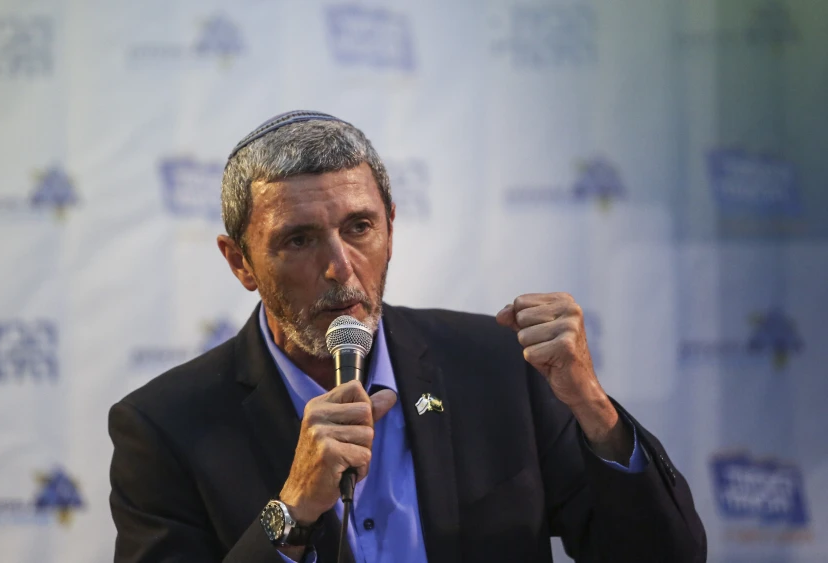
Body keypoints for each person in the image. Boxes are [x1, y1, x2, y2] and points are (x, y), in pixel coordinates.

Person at [108, 111, 706, 563]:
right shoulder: (164, 427)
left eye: (358, 227)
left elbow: (665, 555)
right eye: (298, 240)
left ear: (391, 228)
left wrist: (594, 411)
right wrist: (291, 510)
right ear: (239, 262)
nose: (340, 267)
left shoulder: (500, 369)